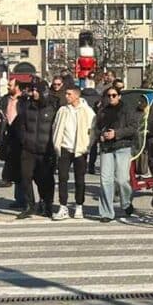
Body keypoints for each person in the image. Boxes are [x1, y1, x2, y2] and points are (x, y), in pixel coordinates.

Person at [51, 84, 95, 219]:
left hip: (80, 150)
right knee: (62, 178)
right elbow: (55, 126)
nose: (66, 96)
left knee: (79, 180)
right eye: (66, 94)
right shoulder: (63, 110)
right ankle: (63, 206)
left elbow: (92, 131)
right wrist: (57, 143)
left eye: (69, 94)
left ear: (77, 95)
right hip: (65, 148)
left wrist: (87, 147)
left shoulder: (87, 111)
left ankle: (79, 206)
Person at [94, 86, 137, 222]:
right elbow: (96, 128)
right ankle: (106, 212)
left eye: (114, 95)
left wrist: (116, 134)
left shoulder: (127, 110)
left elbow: (133, 128)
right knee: (105, 180)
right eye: (109, 95)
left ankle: (126, 203)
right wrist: (100, 135)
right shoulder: (102, 111)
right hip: (106, 148)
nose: (111, 98)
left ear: (119, 96)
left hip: (122, 147)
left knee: (122, 179)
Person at [15, 81, 57, 219]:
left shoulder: (53, 107)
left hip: (46, 150)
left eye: (36, 90)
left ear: (43, 91)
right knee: (25, 176)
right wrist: (23, 140)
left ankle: (46, 204)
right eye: (32, 90)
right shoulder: (27, 106)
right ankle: (29, 205)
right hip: (28, 149)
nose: (33, 93)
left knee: (44, 179)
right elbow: (20, 124)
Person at [0, 78, 25, 202]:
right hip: (8, 134)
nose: (8, 87)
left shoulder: (24, 101)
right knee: (12, 165)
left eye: (10, 85)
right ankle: (18, 199)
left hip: (21, 136)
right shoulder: (5, 99)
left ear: (17, 86)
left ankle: (24, 199)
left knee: (22, 169)